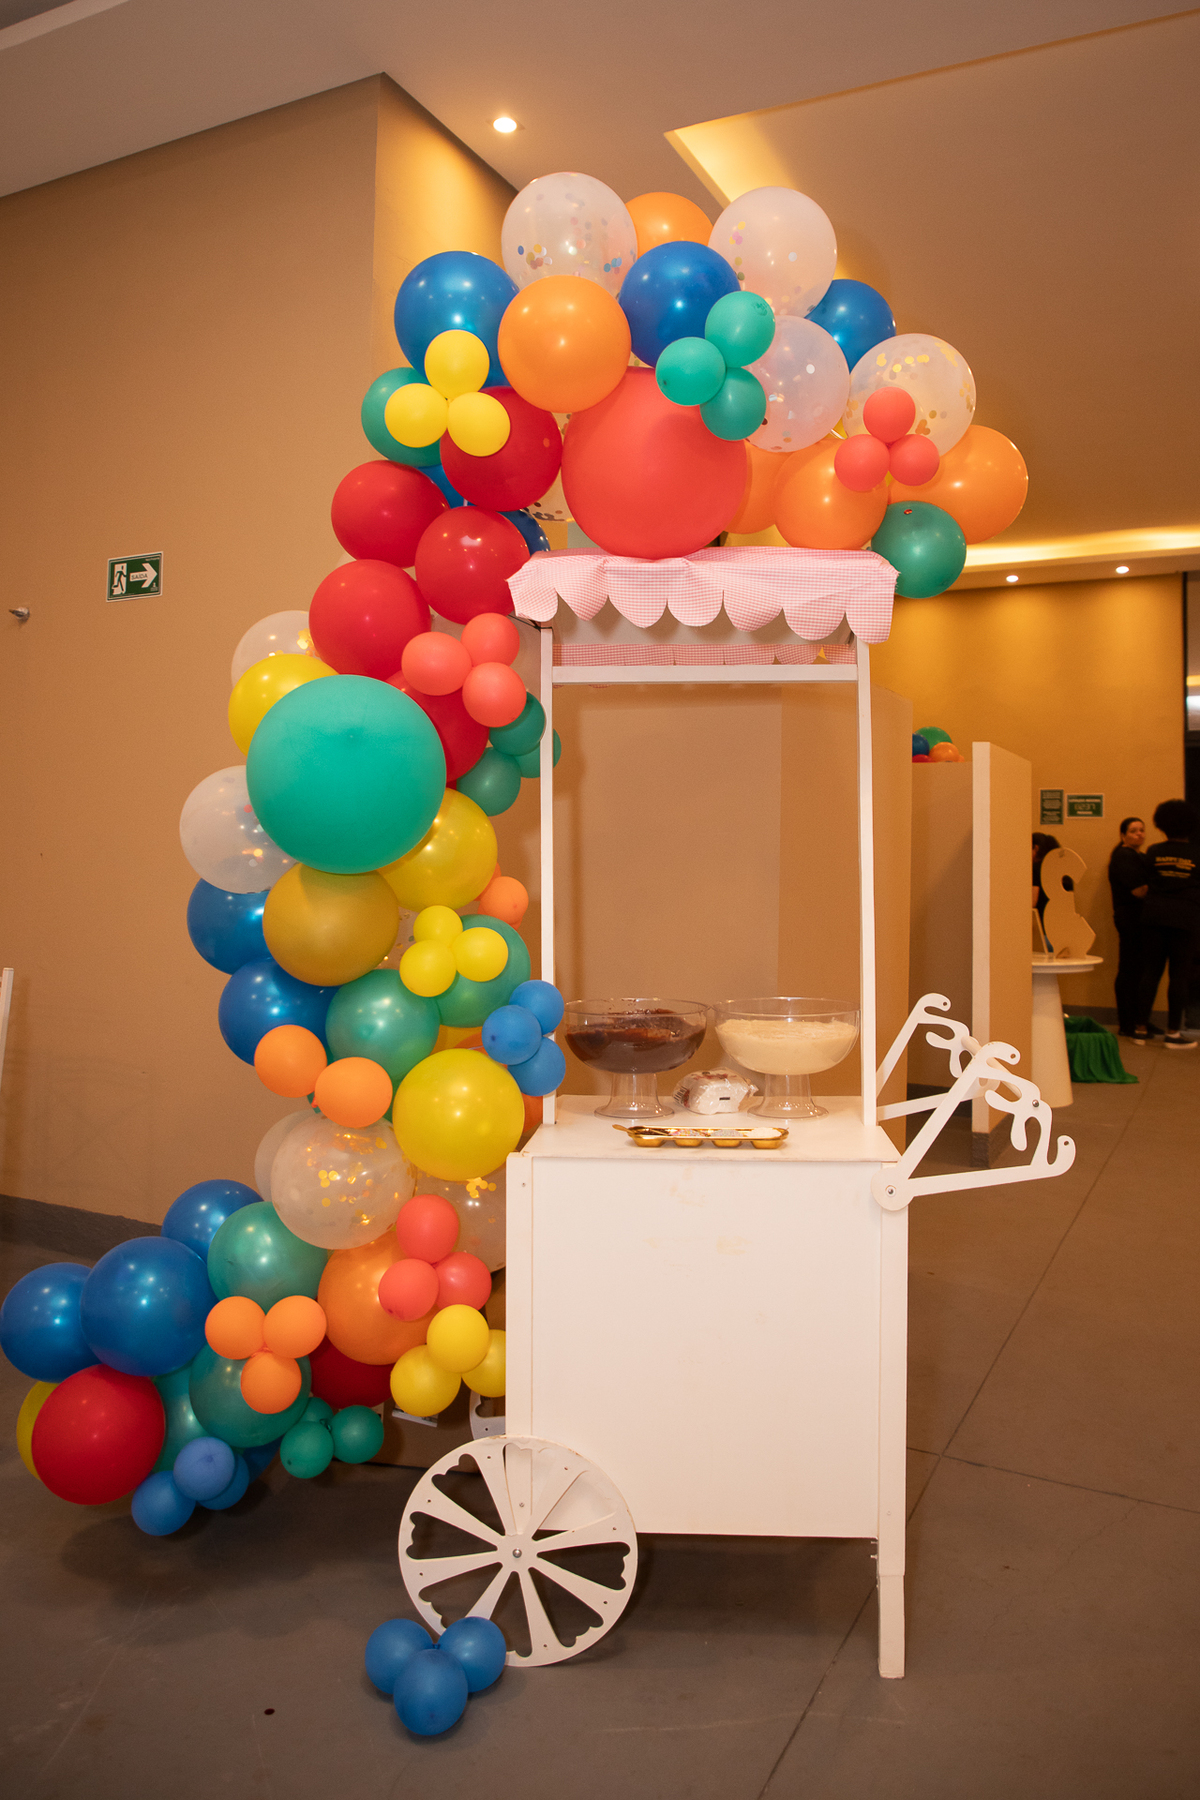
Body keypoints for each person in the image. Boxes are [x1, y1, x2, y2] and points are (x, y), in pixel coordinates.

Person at [1134, 798, 1200, 1049]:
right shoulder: (1196, 853)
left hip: (1153, 916)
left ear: (1162, 824)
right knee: (1179, 976)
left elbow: (1144, 884)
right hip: (1185, 919)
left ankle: (1140, 1029)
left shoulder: (1153, 851)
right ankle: (1173, 1033)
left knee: (1150, 972)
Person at [1108, 817, 1150, 1038]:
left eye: (1142, 830)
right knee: (1130, 969)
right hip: (1130, 918)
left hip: (1139, 918)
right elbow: (1138, 890)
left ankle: (1138, 1019)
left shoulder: (1139, 856)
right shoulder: (1124, 857)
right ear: (1123, 835)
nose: (1139, 834)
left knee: (1139, 970)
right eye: (1134, 831)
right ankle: (1127, 1022)